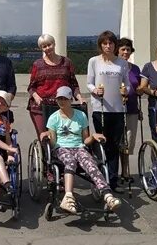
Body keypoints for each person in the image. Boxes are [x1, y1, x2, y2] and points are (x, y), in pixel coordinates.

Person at [40, 86, 121, 214]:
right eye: (59, 99)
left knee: (91, 164)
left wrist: (93, 136)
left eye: (64, 99)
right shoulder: (53, 118)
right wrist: (47, 135)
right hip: (61, 148)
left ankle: (108, 196)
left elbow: (85, 140)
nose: (61, 101)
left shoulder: (81, 115)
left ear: (71, 99)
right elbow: (54, 143)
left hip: (79, 147)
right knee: (70, 161)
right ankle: (68, 197)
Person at [86, 30, 130, 191]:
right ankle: (100, 178)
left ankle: (112, 180)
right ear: (100, 45)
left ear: (115, 45)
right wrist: (95, 90)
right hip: (100, 108)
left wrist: (127, 91)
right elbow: (89, 83)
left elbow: (127, 84)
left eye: (111, 43)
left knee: (115, 146)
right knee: (102, 144)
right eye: (105, 43)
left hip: (118, 109)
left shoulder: (122, 63)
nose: (108, 46)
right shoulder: (94, 61)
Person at [26, 33, 83, 137]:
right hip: (41, 107)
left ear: (54, 44)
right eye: (44, 46)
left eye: (49, 44)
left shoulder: (67, 62)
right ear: (41, 48)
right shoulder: (37, 64)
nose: (48, 48)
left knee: (62, 137)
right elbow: (31, 87)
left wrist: (80, 98)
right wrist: (36, 96)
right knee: (45, 138)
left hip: (61, 106)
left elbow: (73, 84)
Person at [117, 37, 143, 183]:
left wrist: (140, 91)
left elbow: (138, 87)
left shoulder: (135, 68)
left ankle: (125, 170)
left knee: (129, 141)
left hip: (132, 108)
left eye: (128, 49)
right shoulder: (114, 67)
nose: (126, 52)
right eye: (123, 49)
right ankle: (115, 171)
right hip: (116, 109)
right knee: (118, 141)